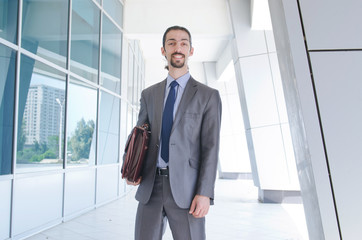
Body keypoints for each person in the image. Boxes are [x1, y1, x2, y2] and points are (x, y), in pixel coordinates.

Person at [126, 25, 222, 240]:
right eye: (171, 43)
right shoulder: (148, 94)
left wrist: (204, 193)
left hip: (188, 191)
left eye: (183, 43)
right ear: (163, 50)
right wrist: (131, 166)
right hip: (150, 187)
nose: (177, 47)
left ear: (191, 51)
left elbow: (211, 147)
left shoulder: (208, 96)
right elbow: (141, 136)